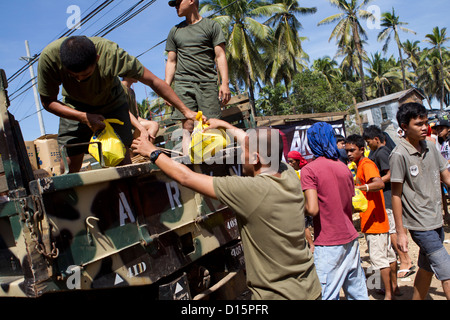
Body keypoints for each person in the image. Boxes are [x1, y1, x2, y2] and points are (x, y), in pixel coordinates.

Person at [131, 119, 322, 300]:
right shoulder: (288, 174)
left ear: (256, 158)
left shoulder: (251, 191)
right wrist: (222, 124)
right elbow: (250, 141)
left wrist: (153, 152)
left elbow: (186, 178)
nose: (240, 155)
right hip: (310, 287)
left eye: (243, 151)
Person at [37, 35, 200, 173]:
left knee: (122, 160)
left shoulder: (111, 54)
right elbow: (48, 101)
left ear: (97, 59)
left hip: (111, 103)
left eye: (85, 75)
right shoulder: (49, 59)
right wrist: (84, 117)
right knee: (69, 164)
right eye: (75, 76)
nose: (80, 79)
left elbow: (153, 81)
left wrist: (186, 111)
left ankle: (132, 207)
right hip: (74, 107)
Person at [301, 122, 368, 300]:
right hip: (350, 237)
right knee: (357, 291)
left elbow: (313, 209)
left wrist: (298, 208)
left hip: (328, 242)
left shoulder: (309, 170)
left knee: (326, 294)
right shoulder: (343, 167)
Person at [390, 102, 450, 300]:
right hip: (420, 225)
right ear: (404, 127)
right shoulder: (399, 155)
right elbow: (396, 195)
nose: (425, 127)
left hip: (436, 220)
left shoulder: (431, 147)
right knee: (447, 270)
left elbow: (446, 177)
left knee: (426, 269)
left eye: (426, 123)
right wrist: (401, 233)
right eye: (419, 124)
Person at [165, 0, 231, 153]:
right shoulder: (175, 31)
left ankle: (216, 167)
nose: (175, 6)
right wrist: (166, 88)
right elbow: (171, 61)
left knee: (212, 124)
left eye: (177, 2)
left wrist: (225, 83)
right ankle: (190, 166)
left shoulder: (211, 26)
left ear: (191, 0)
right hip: (183, 84)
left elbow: (220, 56)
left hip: (206, 83)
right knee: (187, 126)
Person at [345, 134, 399, 300]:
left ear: (362, 149)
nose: (349, 154)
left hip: (374, 218)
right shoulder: (359, 164)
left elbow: (380, 183)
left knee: (379, 260)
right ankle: (393, 289)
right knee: (388, 255)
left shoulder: (366, 164)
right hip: (376, 217)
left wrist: (360, 188)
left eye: (352, 150)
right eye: (347, 151)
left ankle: (388, 294)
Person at [363, 125, 414, 279]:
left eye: (368, 141)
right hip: (384, 198)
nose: (367, 145)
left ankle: (406, 261)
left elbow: (391, 174)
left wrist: (373, 184)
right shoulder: (376, 152)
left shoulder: (382, 152)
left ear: (376, 139)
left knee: (392, 231)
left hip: (387, 197)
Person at [287, 150, 314, 252]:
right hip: (300, 203)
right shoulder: (291, 173)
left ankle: (314, 243)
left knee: (311, 223)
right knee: (305, 225)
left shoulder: (305, 171)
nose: (290, 164)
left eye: (292, 161)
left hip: (309, 202)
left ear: (298, 161)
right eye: (289, 161)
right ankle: (311, 244)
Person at [121, 77, 159, 143]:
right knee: (153, 125)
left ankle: (143, 150)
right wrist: (142, 128)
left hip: (131, 128)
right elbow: (125, 112)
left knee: (154, 124)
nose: (138, 75)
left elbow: (136, 117)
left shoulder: (131, 91)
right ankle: (145, 150)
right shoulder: (120, 88)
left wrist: (146, 124)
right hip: (122, 128)